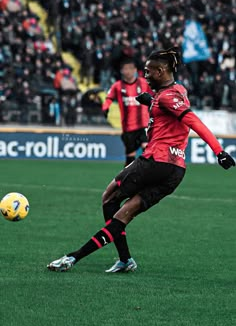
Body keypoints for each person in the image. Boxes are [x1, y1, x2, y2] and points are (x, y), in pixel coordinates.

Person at [47, 47, 235, 274]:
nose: (144, 76)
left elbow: (192, 120)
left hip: (155, 160)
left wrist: (218, 150)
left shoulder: (167, 97)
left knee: (108, 198)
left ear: (161, 71)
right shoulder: (178, 90)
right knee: (125, 213)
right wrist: (152, 101)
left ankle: (75, 257)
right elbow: (171, 111)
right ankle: (123, 261)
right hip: (175, 172)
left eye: (148, 72)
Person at [102, 59, 153, 166]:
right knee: (130, 157)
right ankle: (126, 179)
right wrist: (105, 108)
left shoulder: (143, 83)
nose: (128, 71)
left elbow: (156, 94)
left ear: (135, 70)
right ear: (121, 71)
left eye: (130, 68)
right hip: (128, 127)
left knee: (147, 150)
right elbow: (109, 98)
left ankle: (148, 178)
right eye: (125, 69)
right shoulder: (117, 86)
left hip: (144, 124)